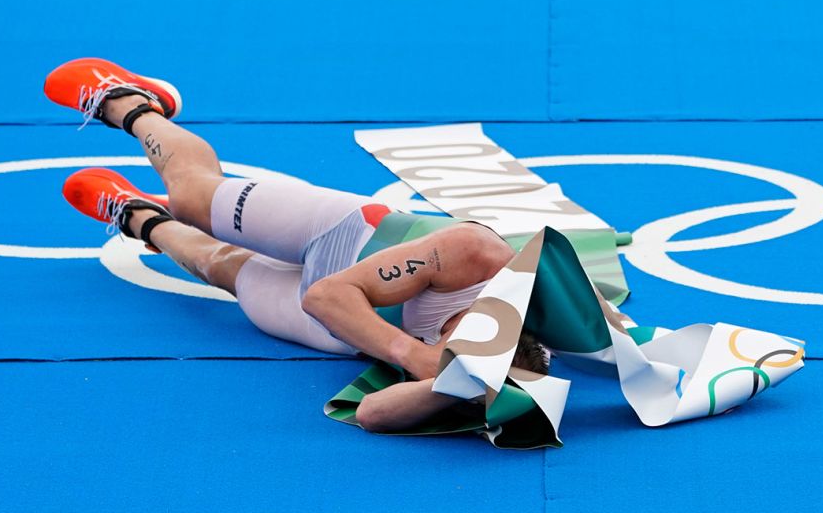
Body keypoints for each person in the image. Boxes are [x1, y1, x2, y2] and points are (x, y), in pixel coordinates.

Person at [42, 56, 548, 433]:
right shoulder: (478, 257)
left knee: (215, 266)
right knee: (196, 199)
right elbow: (326, 293)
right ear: (480, 328)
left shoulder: (472, 376)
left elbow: (371, 414)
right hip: (346, 235)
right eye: (458, 358)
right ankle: (133, 104)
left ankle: (138, 217)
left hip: (342, 329)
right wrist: (412, 355)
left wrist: (444, 388)